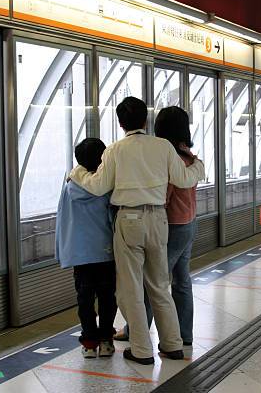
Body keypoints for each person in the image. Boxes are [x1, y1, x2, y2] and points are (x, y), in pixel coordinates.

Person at [69, 96, 205, 365]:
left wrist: (79, 174)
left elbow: (98, 187)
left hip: (129, 220)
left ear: (120, 123)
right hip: (158, 219)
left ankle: (141, 349)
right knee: (160, 285)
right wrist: (199, 164)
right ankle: (172, 345)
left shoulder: (115, 151)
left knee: (131, 288)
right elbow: (184, 178)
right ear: (146, 120)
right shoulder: (163, 147)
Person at [115, 106, 197, 346]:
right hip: (189, 223)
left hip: (171, 225)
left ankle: (136, 332)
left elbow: (164, 195)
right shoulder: (188, 154)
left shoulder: (167, 155)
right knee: (181, 281)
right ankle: (184, 334)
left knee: (154, 282)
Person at [55, 138, 116, 359]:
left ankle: (89, 343)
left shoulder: (69, 186)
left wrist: (63, 251)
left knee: (85, 298)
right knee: (108, 296)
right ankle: (106, 341)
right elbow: (112, 219)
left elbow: (62, 220)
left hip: (80, 254)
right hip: (105, 252)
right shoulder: (106, 188)